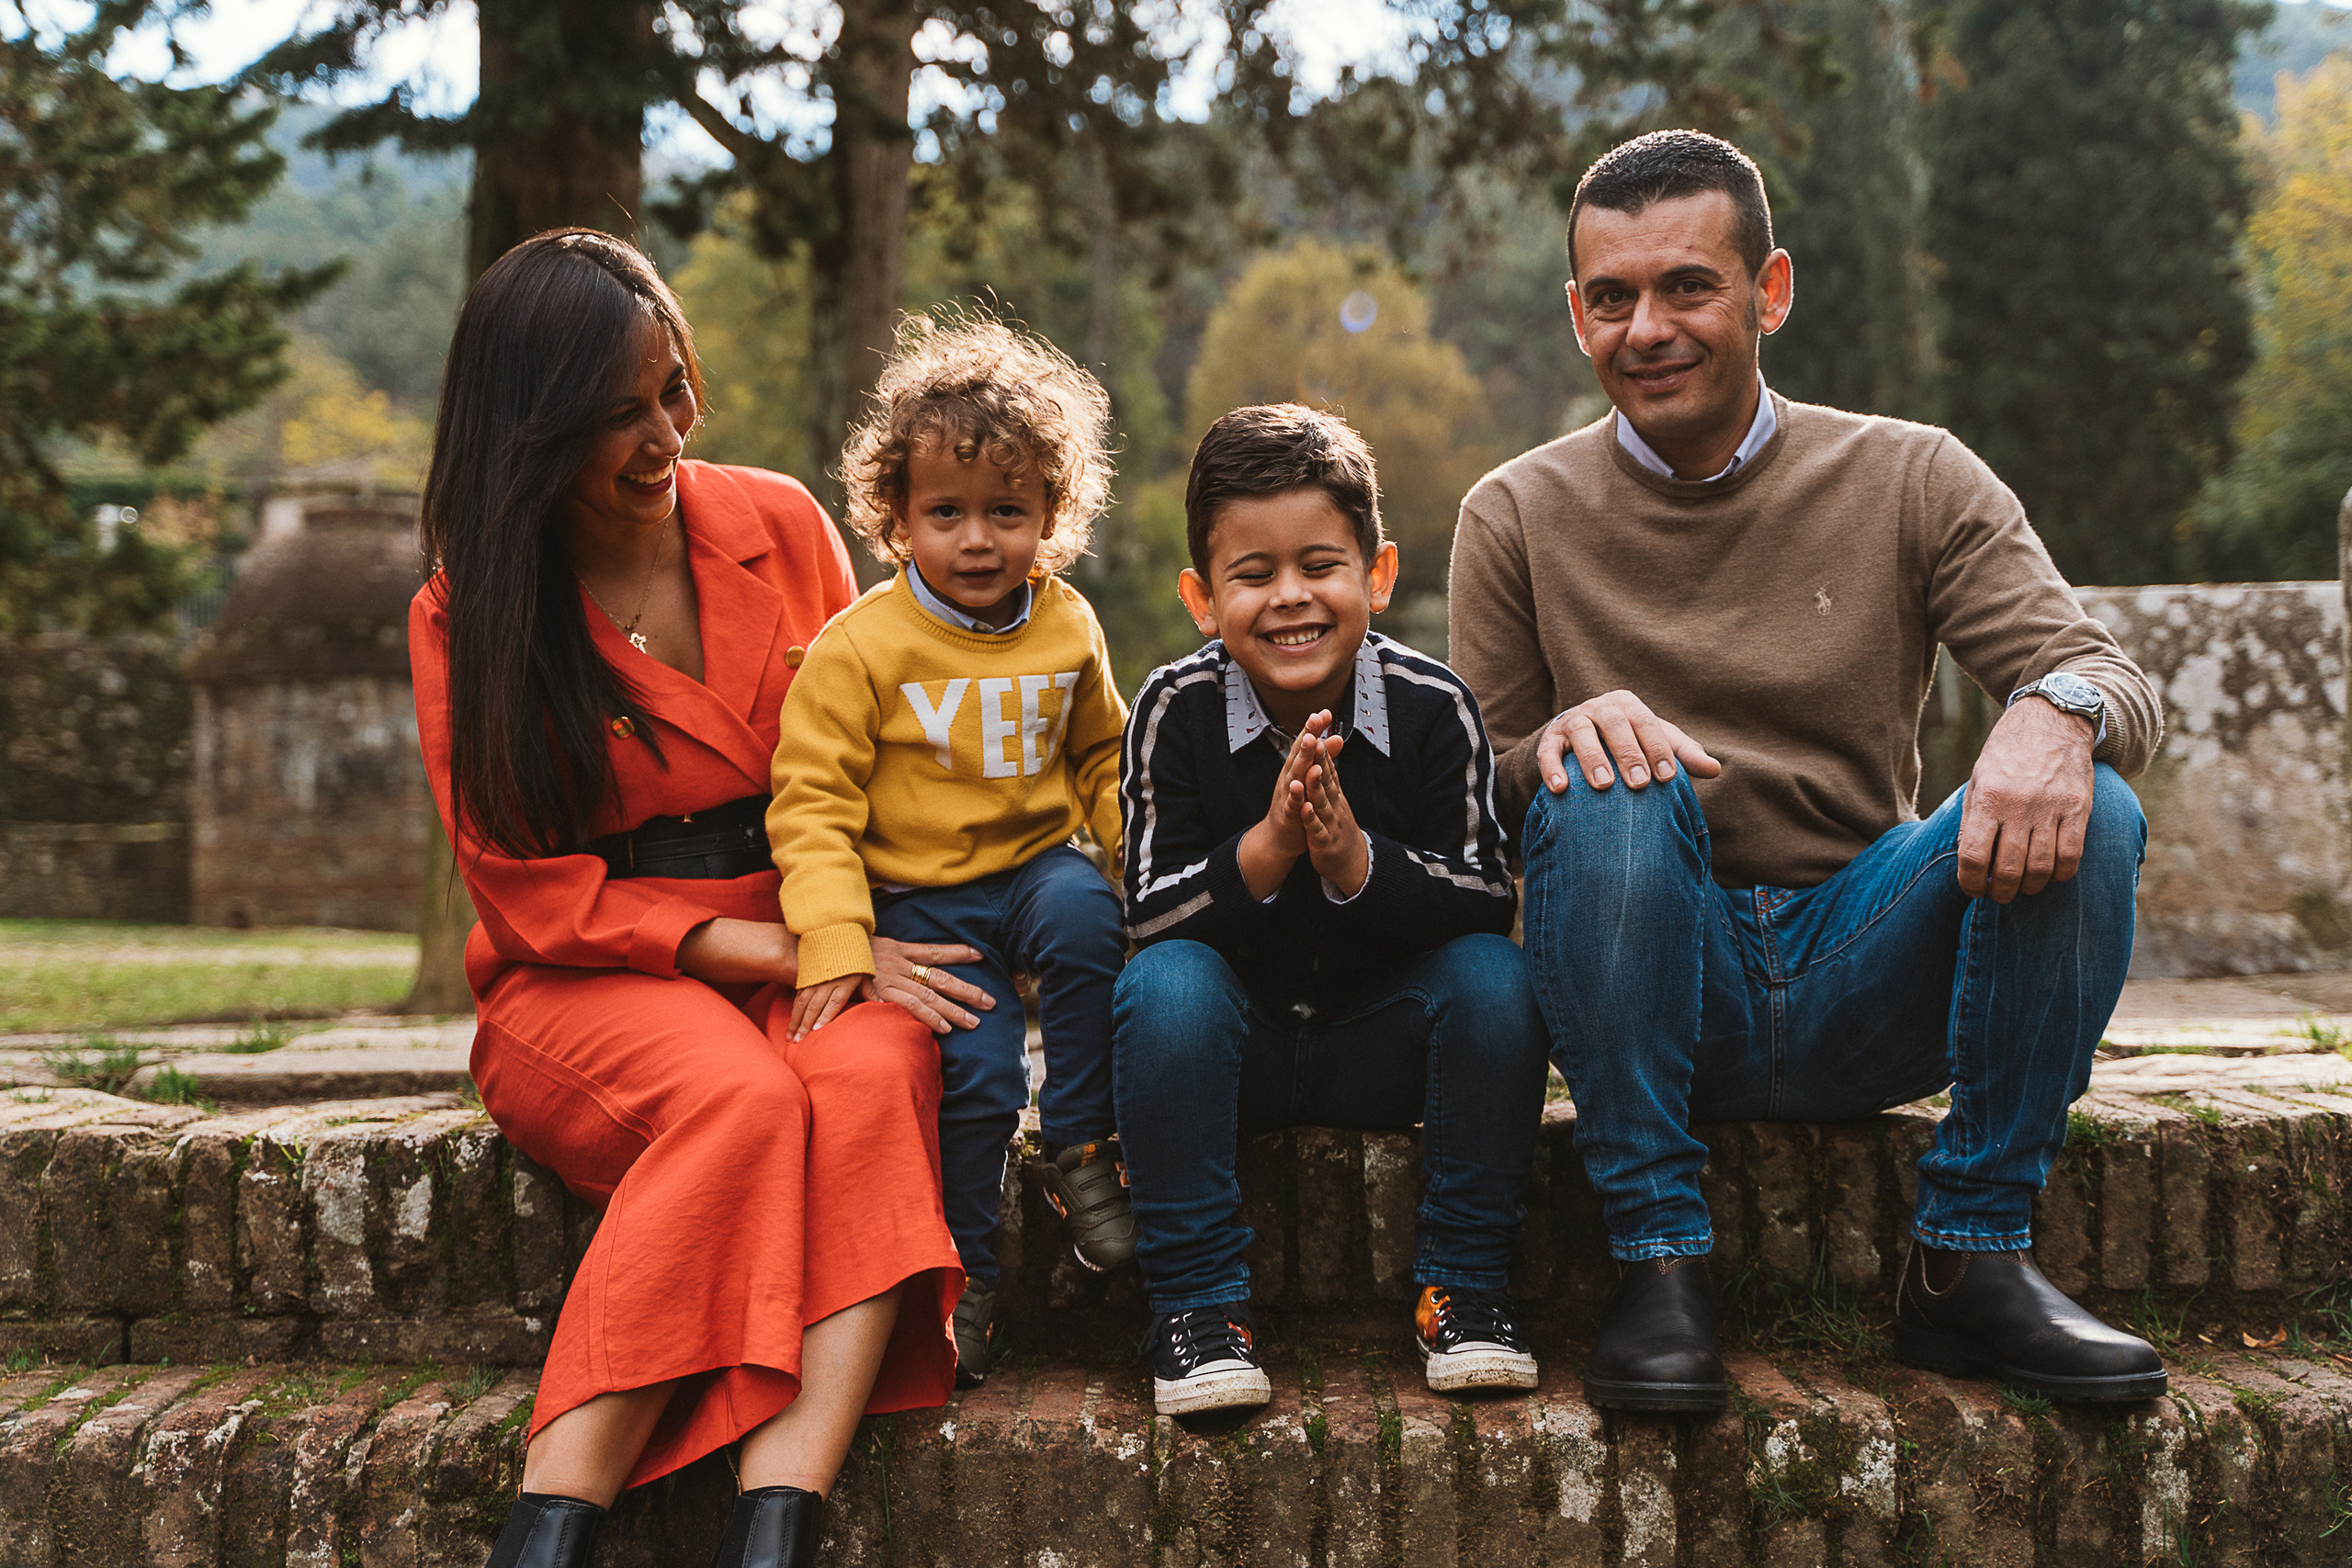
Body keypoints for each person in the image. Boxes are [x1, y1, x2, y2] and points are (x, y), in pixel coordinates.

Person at [1448, 130, 2169, 1413]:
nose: (1647, 326)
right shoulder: (1513, 511)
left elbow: (2106, 673)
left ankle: (1973, 1254)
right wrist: (1551, 746)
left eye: (1688, 286)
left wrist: (2053, 712)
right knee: (1606, 775)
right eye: (1611, 297)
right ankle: (1659, 1263)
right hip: (1660, 979)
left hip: (1868, 952)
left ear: (1769, 290)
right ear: (1576, 314)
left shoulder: (1911, 472)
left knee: (2093, 798)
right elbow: (1480, 790)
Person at [412, 231, 988, 1568]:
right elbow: (520, 886)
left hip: (817, 928)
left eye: (674, 387)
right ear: (532, 427)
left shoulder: (782, 522)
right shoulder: (468, 612)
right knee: (740, 1100)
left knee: (869, 1069)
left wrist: (864, 930)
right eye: (617, 411)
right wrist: (752, 945)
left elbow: (877, 753)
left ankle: (777, 1521)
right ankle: (552, 1524)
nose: (665, 431)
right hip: (592, 971)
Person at [1114, 404, 1552, 1416]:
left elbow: (1488, 893)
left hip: (1378, 1045)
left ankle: (1465, 1285)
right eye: (1252, 575)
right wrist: (1267, 851)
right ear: (1199, 596)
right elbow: (1147, 911)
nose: (1290, 599)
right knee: (1165, 985)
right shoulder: (1173, 713)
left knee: (1495, 982)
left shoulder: (1433, 707)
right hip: (1235, 1053)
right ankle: (1198, 1309)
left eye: (1320, 565)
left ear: (1378, 575)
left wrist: (1355, 860)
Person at [768, 314, 1136, 1388]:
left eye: (1007, 514)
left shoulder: (1067, 626)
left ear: (1052, 520)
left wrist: (1139, 864)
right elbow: (812, 800)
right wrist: (837, 937)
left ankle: (1074, 1143)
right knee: (971, 1083)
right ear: (895, 520)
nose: (978, 540)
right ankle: (968, 1277)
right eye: (946, 514)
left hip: (1033, 870)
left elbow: (1105, 757)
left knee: (1086, 920)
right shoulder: (860, 648)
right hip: (920, 905)